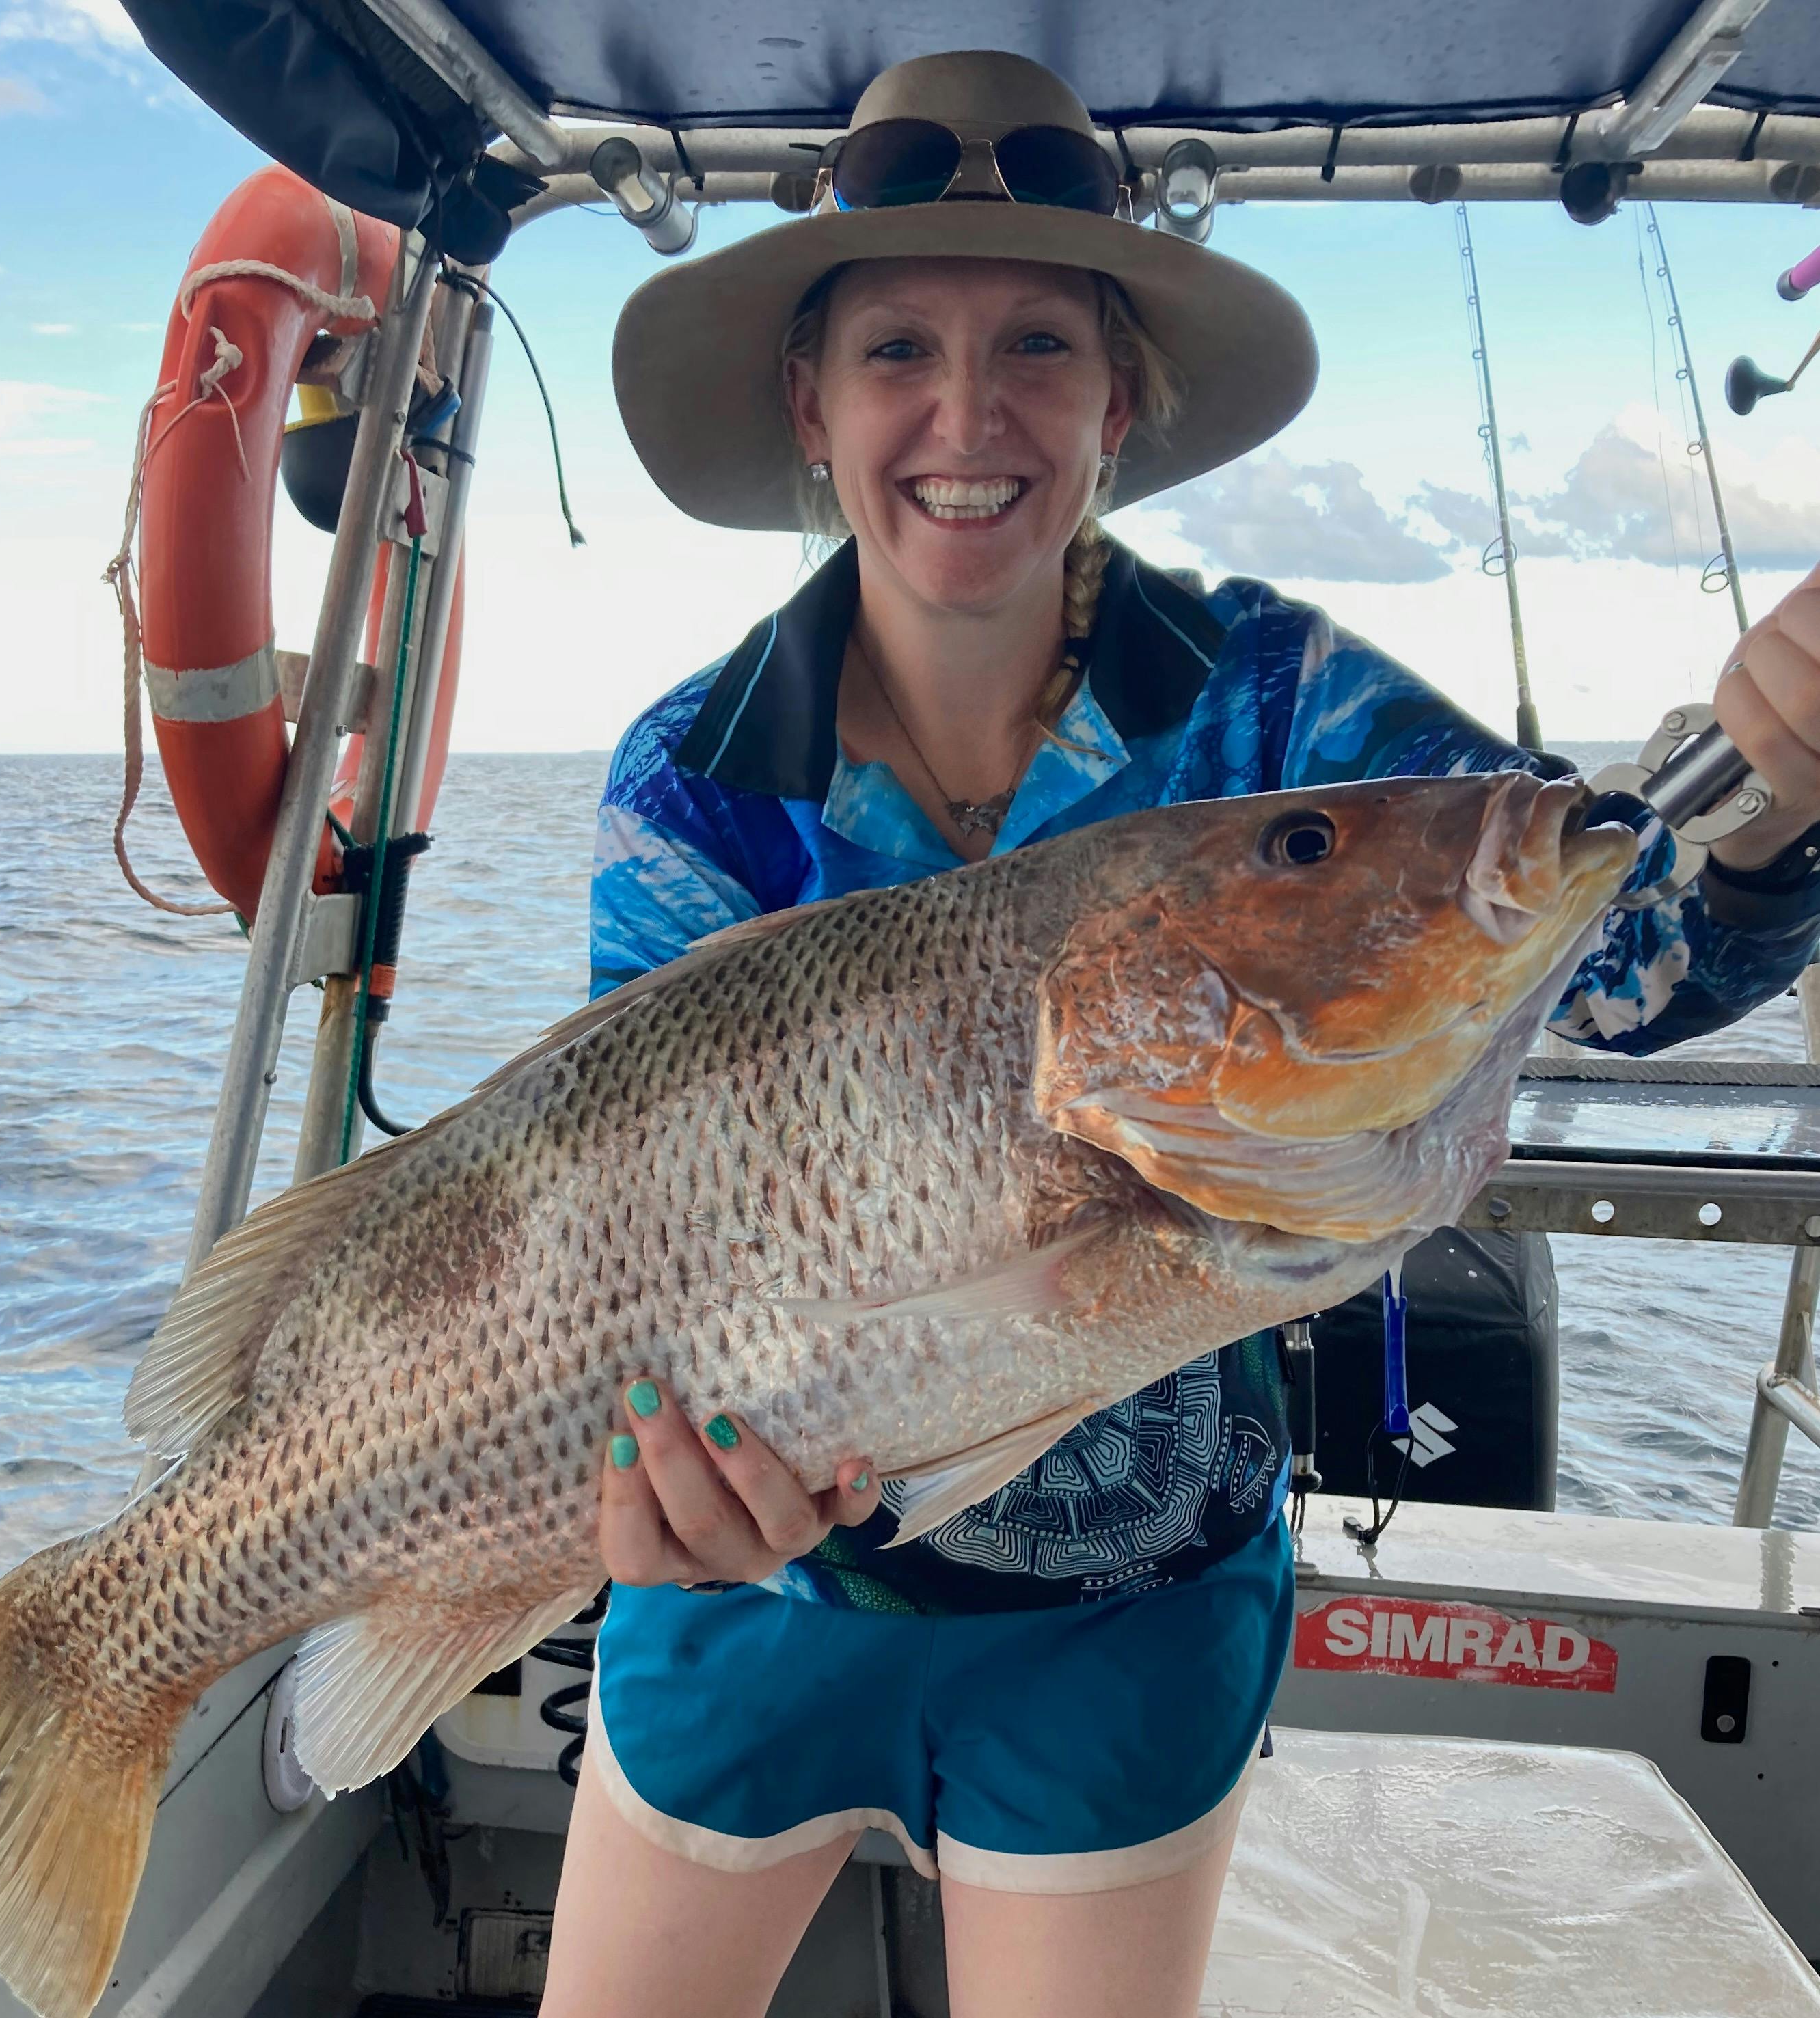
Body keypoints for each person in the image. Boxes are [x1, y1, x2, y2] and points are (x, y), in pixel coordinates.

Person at [541, 50, 1820, 2018]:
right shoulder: (693, 777)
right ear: (812, 400)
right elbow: (618, 1230)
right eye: (898, 348)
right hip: (751, 1607)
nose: (967, 415)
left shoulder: (1284, 704)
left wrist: (1780, 782)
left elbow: (1612, 941)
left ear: (1120, 399)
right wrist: (644, 1486)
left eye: (1038, 342)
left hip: (1130, 1614)